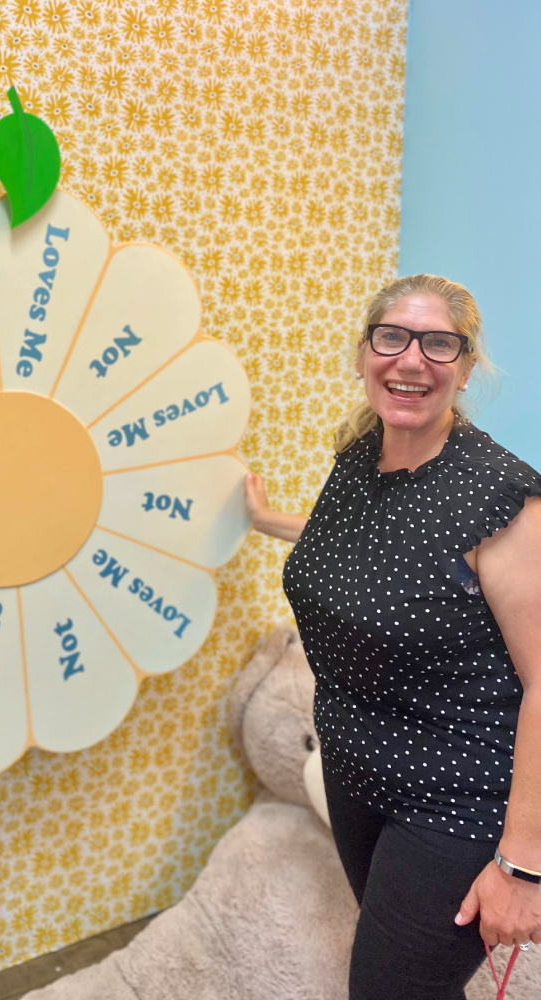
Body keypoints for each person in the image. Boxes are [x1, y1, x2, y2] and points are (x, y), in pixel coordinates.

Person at [244, 274, 541, 999]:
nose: (411, 360)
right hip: (357, 776)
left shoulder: (499, 495)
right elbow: (359, 550)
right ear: (364, 353)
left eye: (439, 344)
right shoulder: (359, 457)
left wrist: (524, 867)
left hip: (456, 803)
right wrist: (264, 519)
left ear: (466, 368)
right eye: (393, 337)